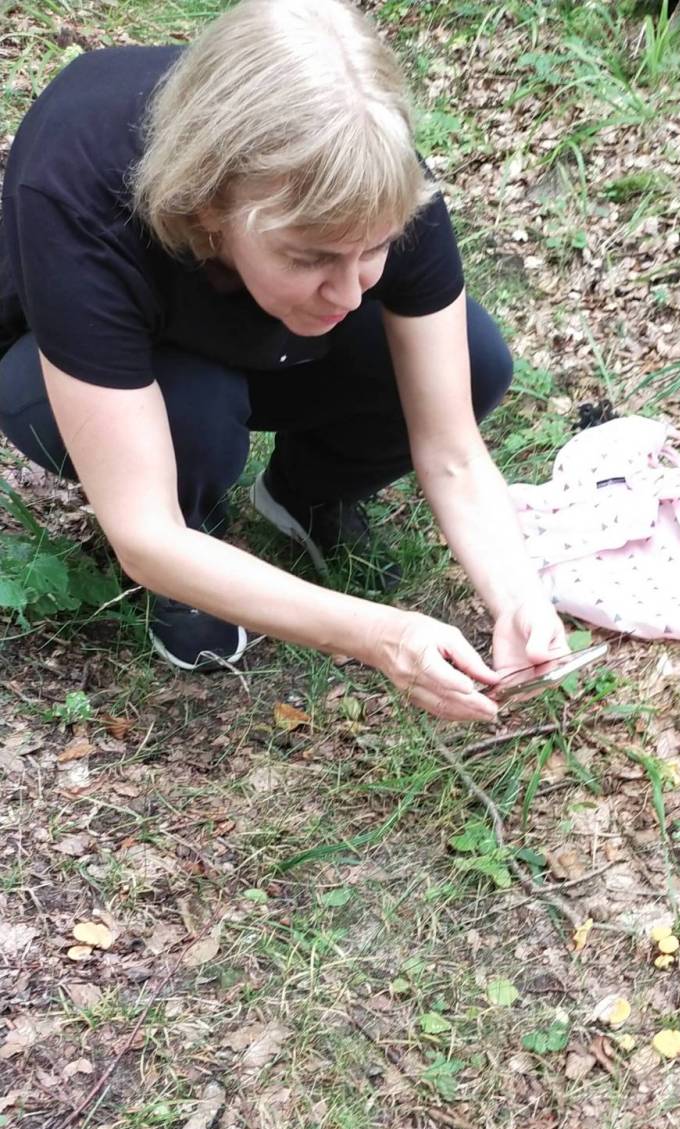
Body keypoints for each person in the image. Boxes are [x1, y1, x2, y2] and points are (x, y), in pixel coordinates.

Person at [0, 0, 568, 722]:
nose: (352, 290)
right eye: (311, 257)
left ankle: (306, 493)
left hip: (266, 335)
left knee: (475, 359)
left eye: (374, 250)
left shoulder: (371, 171)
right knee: (192, 412)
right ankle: (196, 560)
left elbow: (453, 451)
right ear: (211, 208)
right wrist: (381, 636)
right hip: (86, 372)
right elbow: (144, 533)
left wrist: (519, 597)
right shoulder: (80, 185)